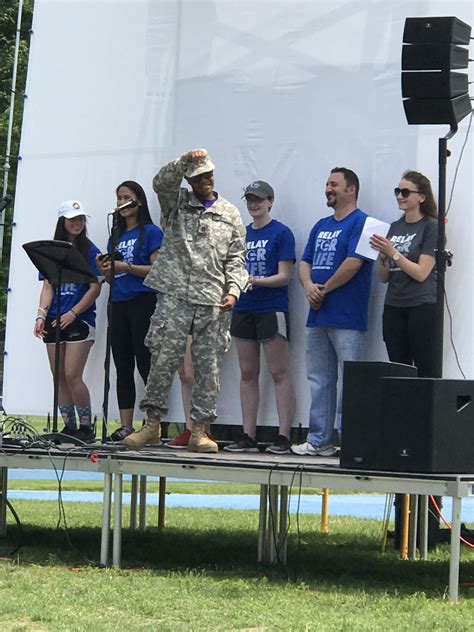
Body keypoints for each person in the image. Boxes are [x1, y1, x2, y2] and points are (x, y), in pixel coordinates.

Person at [122, 149, 248, 453]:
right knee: (163, 360)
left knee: (208, 368)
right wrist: (182, 162)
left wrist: (233, 290)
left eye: (208, 175)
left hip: (212, 299)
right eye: (198, 177)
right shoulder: (176, 202)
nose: (205, 181)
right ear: (190, 180)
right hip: (175, 295)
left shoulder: (230, 213)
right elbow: (160, 183)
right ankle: (152, 425)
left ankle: (200, 431)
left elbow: (237, 259)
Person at [291, 168, 373, 457]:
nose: (328, 188)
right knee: (319, 379)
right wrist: (309, 286)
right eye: (327, 183)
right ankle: (319, 439)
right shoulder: (321, 224)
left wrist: (323, 290)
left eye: (334, 184)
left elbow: (354, 263)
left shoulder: (363, 223)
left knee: (351, 381)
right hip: (318, 316)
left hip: (347, 316)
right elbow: (305, 262)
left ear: (351, 189)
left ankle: (349, 441)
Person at [224, 180, 296, 455]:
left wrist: (258, 281)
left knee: (279, 372)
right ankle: (247, 434)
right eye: (250, 200)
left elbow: (285, 275)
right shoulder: (240, 235)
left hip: (271, 306)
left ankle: (284, 435)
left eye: (259, 199)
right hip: (244, 308)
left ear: (270, 201)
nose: (254, 204)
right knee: (247, 372)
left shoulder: (281, 233)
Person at [97, 181, 163, 442]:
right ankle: (126, 426)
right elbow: (114, 277)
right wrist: (107, 271)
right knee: (121, 364)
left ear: (139, 201)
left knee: (144, 362)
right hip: (118, 303)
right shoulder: (116, 235)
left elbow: (157, 271)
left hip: (142, 302)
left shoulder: (151, 232)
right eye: (118, 198)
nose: (121, 203)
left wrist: (128, 267)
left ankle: (152, 425)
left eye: (126, 197)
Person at [33, 200, 101, 442]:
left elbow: (95, 288)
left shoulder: (90, 251)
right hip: (54, 319)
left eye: (81, 218)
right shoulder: (51, 252)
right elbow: (48, 286)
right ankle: (68, 426)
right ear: (62, 221)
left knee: (73, 374)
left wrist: (74, 312)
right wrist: (41, 314)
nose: (78, 223)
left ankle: (85, 426)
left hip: (79, 319)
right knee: (58, 374)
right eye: (73, 219)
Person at [370, 170, 438, 376]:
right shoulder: (393, 227)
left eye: (406, 192)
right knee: (399, 368)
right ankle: (403, 408)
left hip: (421, 304)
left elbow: (422, 273)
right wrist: (383, 257)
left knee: (424, 366)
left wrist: (394, 253)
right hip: (394, 304)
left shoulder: (430, 227)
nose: (400, 196)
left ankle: (424, 408)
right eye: (397, 191)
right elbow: (383, 277)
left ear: (422, 197)